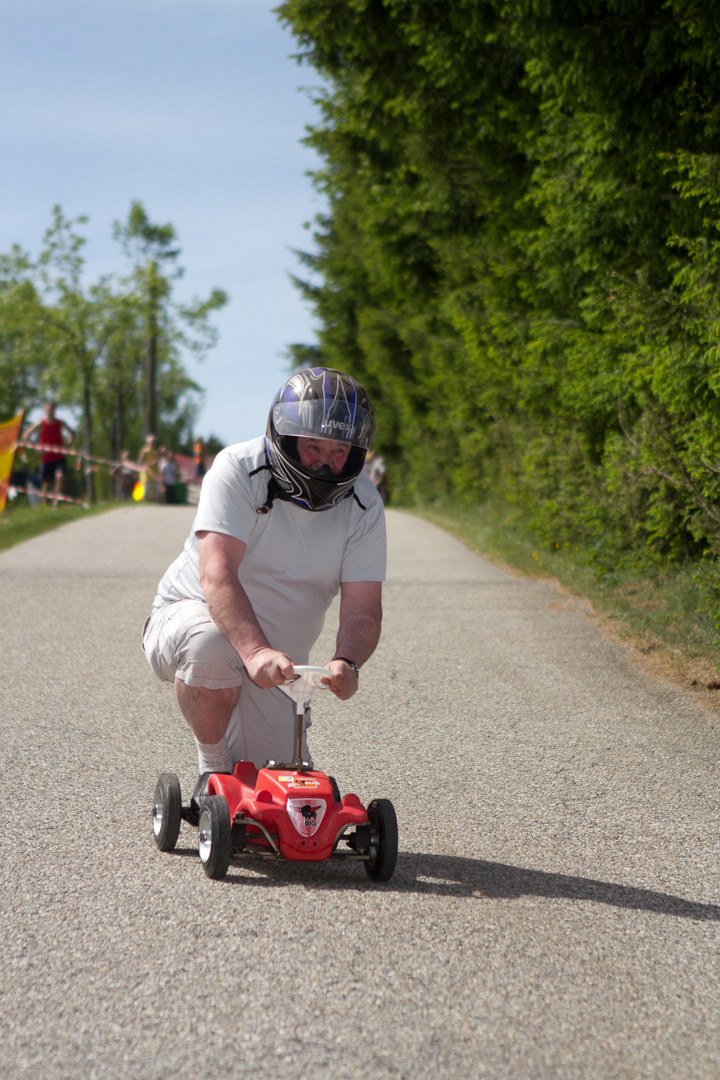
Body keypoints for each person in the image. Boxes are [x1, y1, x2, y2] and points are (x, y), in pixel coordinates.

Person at [141, 367, 385, 805]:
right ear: (286, 437)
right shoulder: (236, 469)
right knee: (211, 643)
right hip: (190, 615)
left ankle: (238, 781)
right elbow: (217, 574)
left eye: (338, 449)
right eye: (313, 446)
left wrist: (348, 660)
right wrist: (253, 652)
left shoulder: (364, 504)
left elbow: (363, 609)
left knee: (278, 799)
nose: (325, 462)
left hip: (280, 666)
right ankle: (211, 773)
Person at [24, 401, 75, 507]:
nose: (50, 411)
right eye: (48, 409)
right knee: (46, 485)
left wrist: (67, 447)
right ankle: (45, 506)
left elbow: (72, 434)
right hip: (46, 459)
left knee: (60, 477)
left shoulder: (60, 423)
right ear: (45, 410)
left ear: (55, 410)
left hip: (59, 457)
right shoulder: (41, 424)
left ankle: (56, 503)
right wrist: (36, 449)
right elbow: (26, 436)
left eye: (51, 409)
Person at [138, 434, 161, 502]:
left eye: (154, 441)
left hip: (154, 474)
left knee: (153, 493)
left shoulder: (156, 452)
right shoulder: (145, 451)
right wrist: (151, 463)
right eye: (151, 441)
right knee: (146, 490)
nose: (153, 443)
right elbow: (141, 462)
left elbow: (158, 462)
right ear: (148, 442)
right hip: (146, 474)